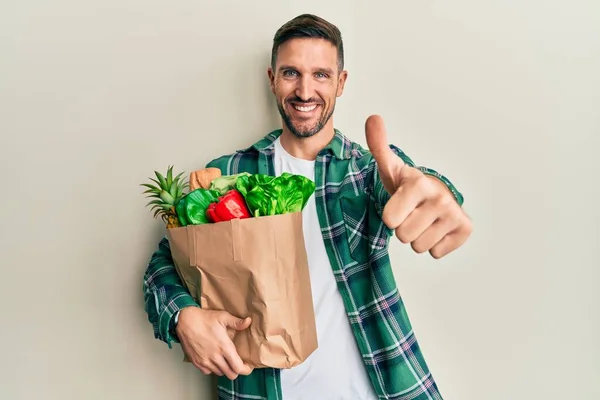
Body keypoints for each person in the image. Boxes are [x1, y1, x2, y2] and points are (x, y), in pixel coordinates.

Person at [143, 13, 472, 400]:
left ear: (341, 82)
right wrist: (184, 316)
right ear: (271, 79)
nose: (304, 91)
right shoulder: (228, 174)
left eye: (320, 74)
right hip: (259, 390)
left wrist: (438, 190)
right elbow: (165, 264)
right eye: (290, 73)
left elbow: (410, 184)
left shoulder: (366, 171)